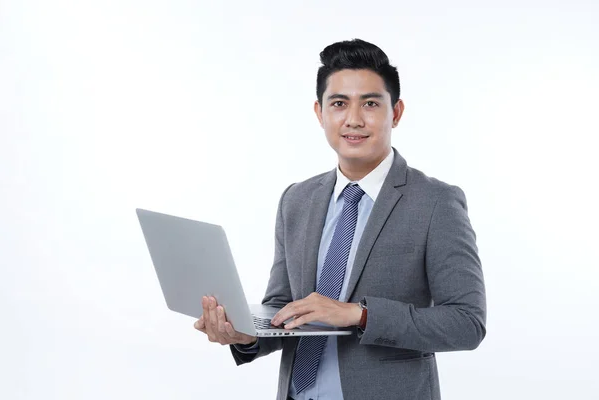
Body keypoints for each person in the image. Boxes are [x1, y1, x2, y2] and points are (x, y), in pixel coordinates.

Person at [194, 38, 487, 400]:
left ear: (395, 112)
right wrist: (246, 335)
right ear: (320, 113)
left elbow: (466, 323)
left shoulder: (435, 202)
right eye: (339, 103)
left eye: (370, 103)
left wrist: (358, 315)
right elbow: (284, 308)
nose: (353, 119)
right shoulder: (297, 200)